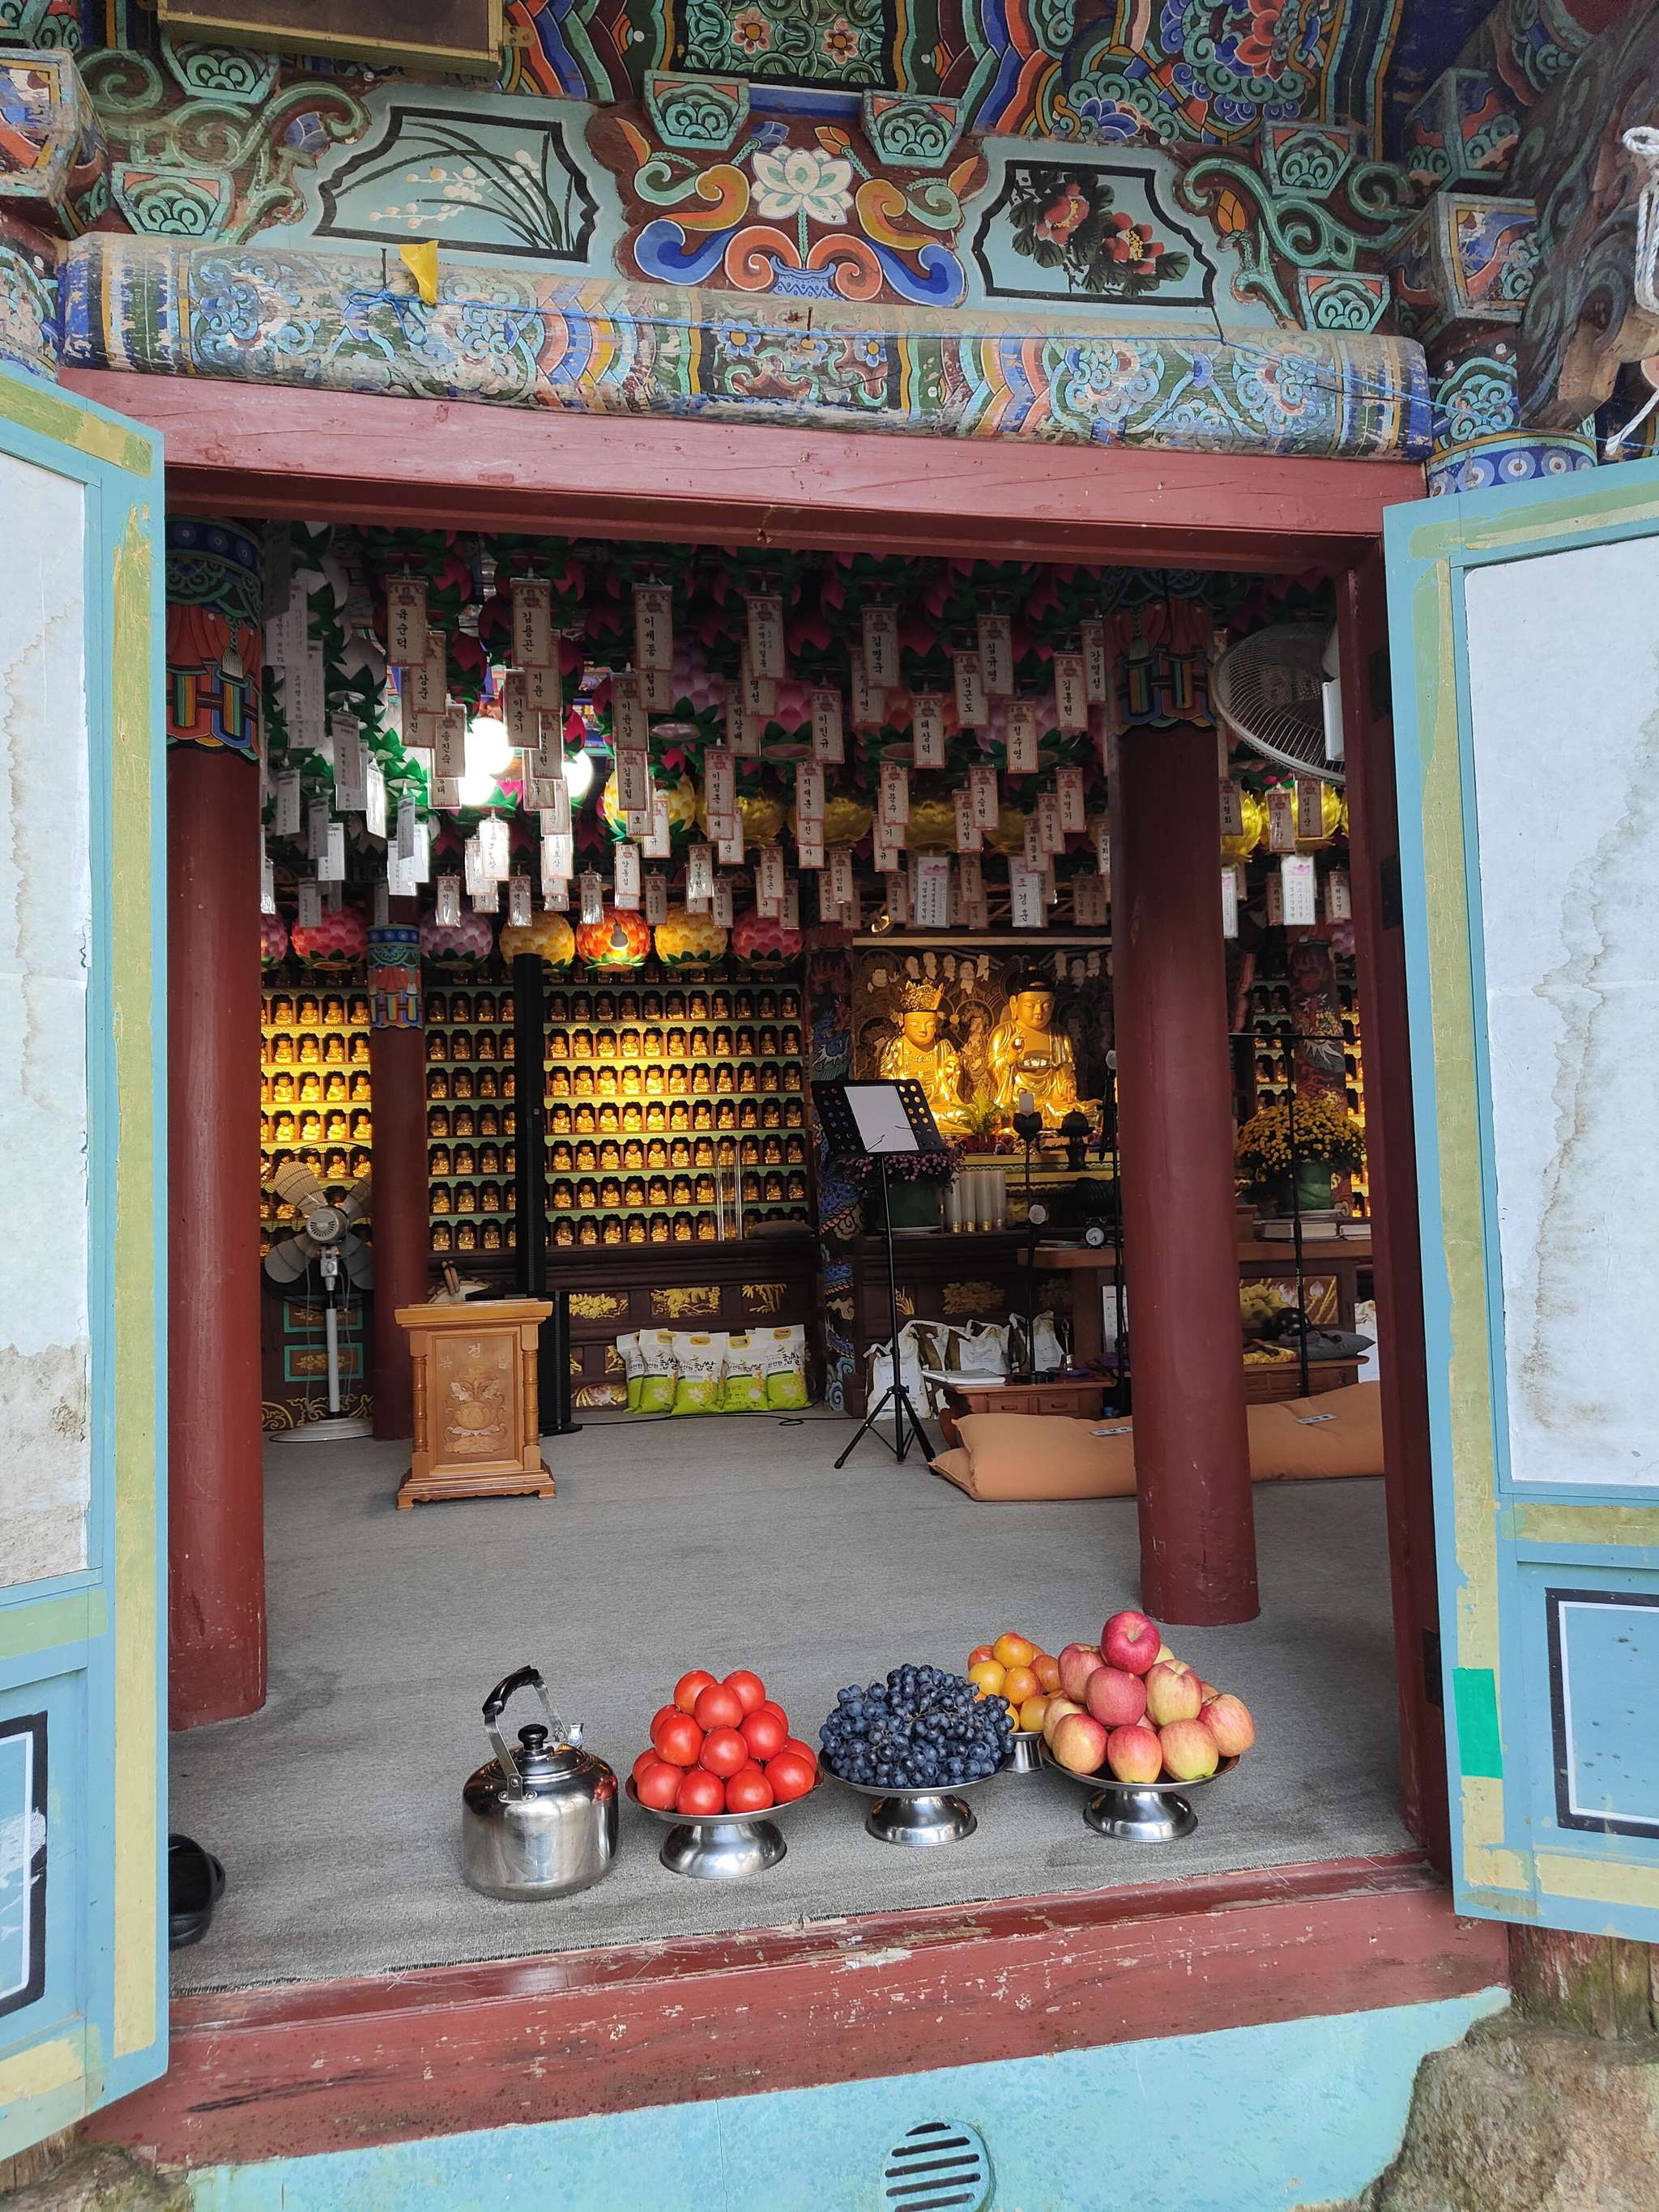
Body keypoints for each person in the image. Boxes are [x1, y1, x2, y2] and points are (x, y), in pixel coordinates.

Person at [987, 967, 1081, 1124]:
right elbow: (993, 1070)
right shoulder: (1003, 1033)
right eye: (1030, 1005)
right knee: (1005, 1114)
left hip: (1052, 1103)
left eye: (1047, 1005)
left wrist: (1068, 1084)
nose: (1039, 1012)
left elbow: (1066, 1070)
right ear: (1014, 1004)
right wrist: (1011, 1056)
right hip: (1016, 1100)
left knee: (1085, 1112)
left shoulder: (1059, 1034)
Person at [878, 979, 967, 1131]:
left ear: (936, 1024)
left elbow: (952, 1093)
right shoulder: (895, 1047)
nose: (923, 1030)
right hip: (906, 1108)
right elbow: (884, 1083)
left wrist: (947, 1075)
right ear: (902, 1021)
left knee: (963, 1115)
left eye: (930, 1024)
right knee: (898, 1117)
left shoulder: (943, 1047)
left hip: (939, 1108)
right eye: (915, 1024)